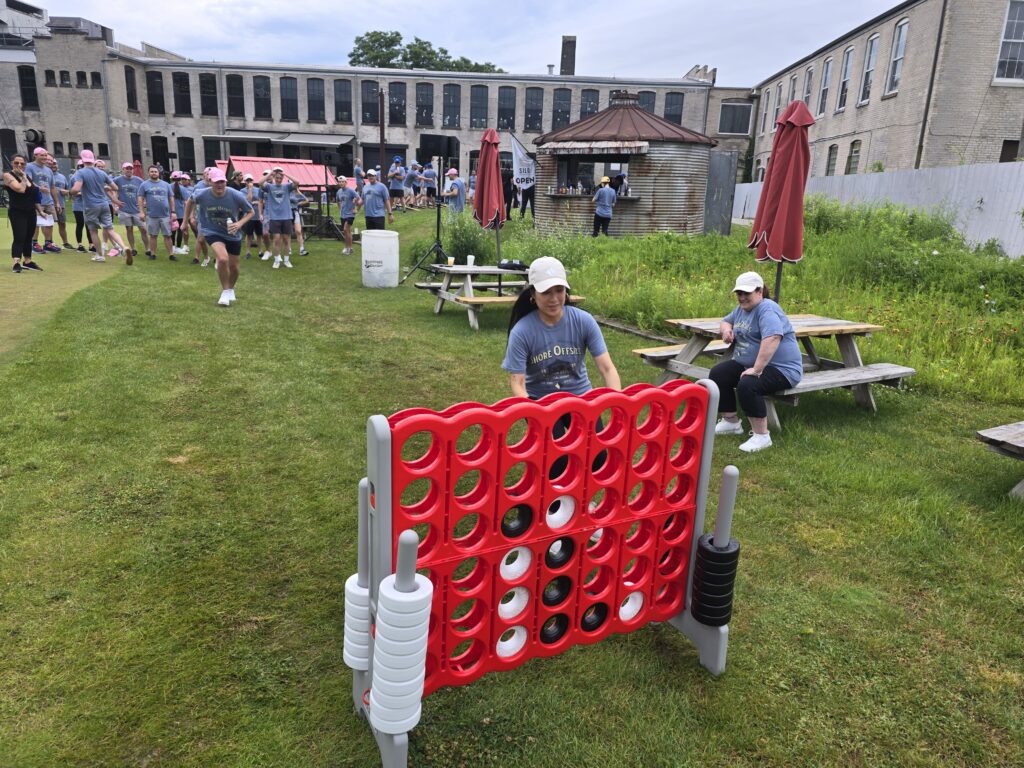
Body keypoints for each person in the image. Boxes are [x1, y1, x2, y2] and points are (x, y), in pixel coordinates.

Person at [503, 256, 621, 478]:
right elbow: (517, 382)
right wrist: (533, 411)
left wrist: (616, 403)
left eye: (559, 290)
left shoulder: (584, 321)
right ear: (533, 294)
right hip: (541, 402)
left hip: (580, 397)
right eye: (546, 292)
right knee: (555, 460)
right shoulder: (522, 331)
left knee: (598, 458)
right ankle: (552, 507)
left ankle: (584, 504)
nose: (554, 298)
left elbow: (607, 369)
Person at [709, 271, 803, 453]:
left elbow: (773, 337)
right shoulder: (742, 309)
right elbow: (725, 321)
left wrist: (757, 369)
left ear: (760, 291)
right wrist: (726, 331)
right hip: (749, 363)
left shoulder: (767, 309)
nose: (742, 297)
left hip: (782, 370)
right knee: (718, 374)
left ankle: (762, 436)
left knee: (748, 384)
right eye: (739, 293)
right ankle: (731, 422)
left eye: (747, 293)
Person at [182, 167, 254, 307]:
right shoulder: (201, 193)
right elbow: (190, 202)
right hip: (211, 230)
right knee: (222, 258)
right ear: (210, 181)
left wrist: (239, 224)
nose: (220, 185)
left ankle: (230, 288)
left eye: (222, 182)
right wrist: (185, 221)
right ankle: (225, 291)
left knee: (234, 268)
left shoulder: (235, 195)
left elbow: (250, 212)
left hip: (232, 233)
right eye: (216, 182)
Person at [70, 149, 129, 263]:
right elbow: (115, 188)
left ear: (82, 159)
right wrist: (105, 188)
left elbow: (76, 189)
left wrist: (70, 191)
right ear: (93, 159)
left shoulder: (81, 173)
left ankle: (100, 255)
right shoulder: (102, 173)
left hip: (90, 206)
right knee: (110, 229)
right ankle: (123, 247)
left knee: (93, 231)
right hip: (104, 204)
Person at [3, 154, 45, 272]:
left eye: (22, 163)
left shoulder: (26, 176)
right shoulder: (8, 175)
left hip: (30, 211)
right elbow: (20, 189)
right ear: (12, 163)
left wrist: (40, 210)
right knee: (19, 236)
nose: (19, 165)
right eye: (16, 163)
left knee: (28, 237)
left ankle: (28, 261)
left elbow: (33, 194)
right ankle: (16, 262)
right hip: (17, 211)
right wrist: (23, 177)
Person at [258, 166, 299, 268]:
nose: (279, 180)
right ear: (274, 178)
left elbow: (297, 182)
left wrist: (285, 173)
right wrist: (271, 173)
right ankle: (276, 260)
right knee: (276, 239)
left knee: (286, 239)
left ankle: (286, 260)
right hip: (275, 217)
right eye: (277, 178)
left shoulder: (287, 187)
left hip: (287, 217)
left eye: (280, 178)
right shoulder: (269, 187)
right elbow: (259, 183)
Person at [137, 165, 177, 261]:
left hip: (165, 215)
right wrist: (141, 212)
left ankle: (171, 255)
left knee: (167, 236)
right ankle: (153, 254)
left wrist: (173, 212)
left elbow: (171, 198)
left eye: (155, 171)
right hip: (151, 215)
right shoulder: (144, 185)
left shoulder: (166, 184)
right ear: (149, 173)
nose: (154, 173)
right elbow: (140, 198)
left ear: (158, 173)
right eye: (152, 171)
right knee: (153, 236)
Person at [26, 148, 59, 254]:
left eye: (45, 155)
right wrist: (40, 188)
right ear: (35, 155)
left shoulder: (49, 170)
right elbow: (28, 181)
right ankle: (34, 243)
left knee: (49, 222)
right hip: (36, 200)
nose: (45, 157)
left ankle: (48, 243)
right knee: (36, 223)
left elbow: (52, 187)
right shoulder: (29, 166)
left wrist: (56, 202)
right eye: (42, 155)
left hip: (48, 200)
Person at [113, 162, 144, 259]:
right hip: (124, 209)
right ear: (123, 170)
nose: (129, 170)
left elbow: (145, 191)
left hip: (137, 209)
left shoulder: (139, 180)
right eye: (127, 168)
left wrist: (144, 203)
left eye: (130, 168)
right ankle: (133, 248)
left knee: (143, 229)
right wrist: (115, 203)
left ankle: (148, 249)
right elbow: (109, 187)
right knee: (129, 229)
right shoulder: (118, 179)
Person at [335, 175, 359, 254]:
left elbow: (358, 197)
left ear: (346, 182)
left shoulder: (351, 190)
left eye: (342, 182)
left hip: (350, 214)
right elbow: (337, 201)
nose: (341, 183)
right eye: (340, 182)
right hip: (343, 214)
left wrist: (355, 208)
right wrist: (340, 209)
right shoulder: (338, 192)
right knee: (347, 231)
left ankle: (347, 248)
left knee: (345, 229)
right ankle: (350, 248)